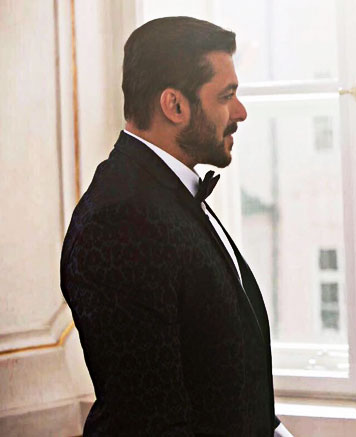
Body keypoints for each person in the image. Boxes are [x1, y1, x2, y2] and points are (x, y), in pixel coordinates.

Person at [61, 17, 293, 436]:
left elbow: (220, 372)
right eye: (227, 96)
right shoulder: (120, 222)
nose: (240, 112)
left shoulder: (168, 193)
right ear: (175, 105)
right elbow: (151, 423)